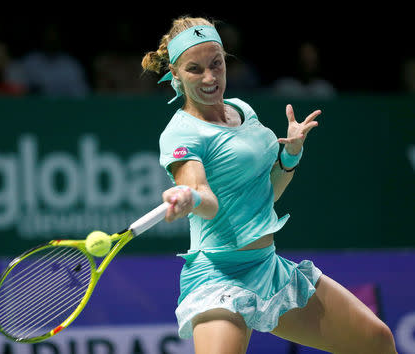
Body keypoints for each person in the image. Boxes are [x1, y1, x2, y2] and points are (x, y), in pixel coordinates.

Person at [141, 16, 398, 354]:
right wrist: (189, 195)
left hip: (268, 267)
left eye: (216, 64)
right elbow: (207, 198)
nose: (210, 77)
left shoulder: (241, 110)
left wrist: (290, 154)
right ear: (175, 74)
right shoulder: (182, 133)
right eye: (194, 69)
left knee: (376, 341)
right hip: (219, 278)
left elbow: (266, 196)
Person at [271, 41, 336, 98]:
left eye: (311, 61)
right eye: (304, 60)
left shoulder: (325, 89)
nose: (307, 62)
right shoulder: (283, 87)